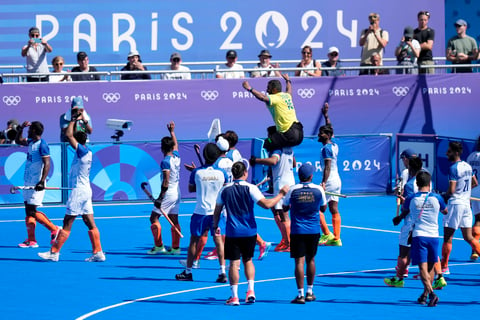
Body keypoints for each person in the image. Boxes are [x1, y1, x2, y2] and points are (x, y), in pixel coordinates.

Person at [213, 160, 290, 306]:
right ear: (245, 173)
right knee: (248, 260)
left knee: (234, 264)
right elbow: (267, 205)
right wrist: (281, 194)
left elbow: (216, 211)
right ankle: (250, 291)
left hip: (233, 232)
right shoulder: (251, 188)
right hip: (249, 232)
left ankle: (234, 297)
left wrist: (215, 225)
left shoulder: (224, 190)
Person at [38, 114, 106, 262]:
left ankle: (54, 252)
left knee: (67, 222)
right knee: (89, 222)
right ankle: (98, 252)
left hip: (79, 192)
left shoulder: (82, 151)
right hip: (85, 191)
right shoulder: (85, 152)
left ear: (78, 141)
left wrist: (73, 120)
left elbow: (68, 134)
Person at [175, 143, 228, 282]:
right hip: (217, 212)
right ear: (217, 157)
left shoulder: (196, 173)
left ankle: (188, 271)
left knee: (193, 241)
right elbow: (224, 189)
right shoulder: (222, 173)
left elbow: (191, 188)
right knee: (218, 242)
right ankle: (222, 272)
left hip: (200, 212)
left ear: (204, 156)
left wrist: (198, 175)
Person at [283, 163, 327, 304]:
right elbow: (323, 208)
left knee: (299, 262)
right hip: (313, 230)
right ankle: (310, 291)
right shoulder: (319, 190)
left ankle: (300, 294)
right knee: (311, 260)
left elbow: (284, 208)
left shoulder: (292, 190)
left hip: (298, 231)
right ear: (311, 176)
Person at [15, 121, 60, 248]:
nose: (28, 131)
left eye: (30, 129)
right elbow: (18, 141)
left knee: (32, 211)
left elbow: (47, 163)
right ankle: (32, 240)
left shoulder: (42, 145)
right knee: (28, 211)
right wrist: (21, 128)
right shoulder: (30, 142)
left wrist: (41, 181)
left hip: (36, 183)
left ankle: (54, 229)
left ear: (34, 130)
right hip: (28, 181)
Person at [405, 171, 447, 307]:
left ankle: (432, 294)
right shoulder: (437, 198)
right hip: (434, 236)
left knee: (422, 268)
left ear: (416, 184)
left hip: (420, 236)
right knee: (430, 267)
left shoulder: (411, 198)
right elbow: (445, 211)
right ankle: (424, 295)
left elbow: (405, 211)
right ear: (429, 183)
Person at [440, 141, 480, 275]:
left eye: (449, 151)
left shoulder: (453, 168)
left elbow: (451, 190)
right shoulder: (467, 166)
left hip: (455, 205)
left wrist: (442, 197)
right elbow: (475, 183)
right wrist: (465, 192)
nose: (446, 153)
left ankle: (444, 267)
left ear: (456, 152)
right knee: (469, 237)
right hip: (465, 205)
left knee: (448, 237)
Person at [384, 156, 424, 287]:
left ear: (410, 168)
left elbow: (408, 206)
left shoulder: (410, 185)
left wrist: (399, 217)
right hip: (424, 221)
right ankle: (436, 278)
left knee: (403, 252)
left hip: (411, 222)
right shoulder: (427, 182)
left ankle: (399, 278)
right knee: (425, 252)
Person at [242, 74, 303, 152]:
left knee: (266, 143)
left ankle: (271, 159)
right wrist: (288, 80)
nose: (267, 91)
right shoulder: (287, 96)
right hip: (299, 132)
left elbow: (262, 97)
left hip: (289, 134)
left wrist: (249, 88)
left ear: (274, 90)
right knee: (271, 130)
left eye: (268, 88)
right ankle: (283, 151)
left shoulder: (275, 98)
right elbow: (289, 89)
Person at [147, 121, 182, 255]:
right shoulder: (177, 156)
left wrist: (160, 198)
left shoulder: (165, 162)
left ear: (162, 148)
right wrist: (172, 132)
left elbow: (166, 181)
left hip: (168, 193)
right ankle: (175, 248)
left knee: (154, 218)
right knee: (174, 219)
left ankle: (159, 246)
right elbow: (176, 145)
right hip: (177, 192)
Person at [250, 146, 294, 252]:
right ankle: (285, 239)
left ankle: (290, 243)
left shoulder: (277, 149)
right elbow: (294, 164)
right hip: (286, 180)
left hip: (281, 182)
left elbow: (273, 161)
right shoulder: (290, 149)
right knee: (276, 211)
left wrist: (256, 160)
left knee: (283, 213)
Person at [317, 103, 342, 246]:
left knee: (318, 209)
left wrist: (324, 182)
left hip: (330, 180)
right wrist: (326, 116)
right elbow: (330, 128)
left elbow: (327, 166)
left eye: (321, 133)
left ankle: (326, 234)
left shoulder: (326, 149)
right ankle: (336, 238)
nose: (319, 135)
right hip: (337, 180)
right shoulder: (334, 144)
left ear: (326, 136)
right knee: (333, 209)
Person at [467, 136, 480, 261]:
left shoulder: (471, 156)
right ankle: (475, 249)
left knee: (477, 219)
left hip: (473, 191)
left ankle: (474, 250)